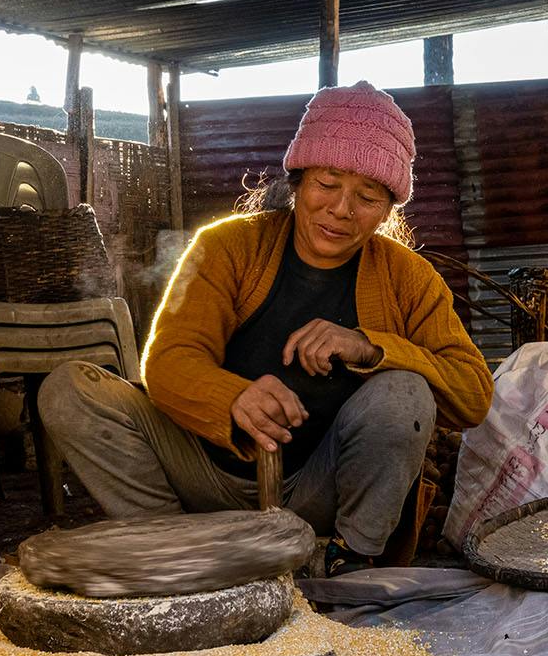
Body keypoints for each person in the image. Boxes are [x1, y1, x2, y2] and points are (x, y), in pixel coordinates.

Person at [40, 81, 493, 569]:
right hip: (200, 478)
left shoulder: (407, 276)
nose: (341, 209)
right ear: (297, 180)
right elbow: (168, 362)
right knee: (69, 389)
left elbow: (472, 393)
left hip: (314, 493)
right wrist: (231, 396)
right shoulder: (227, 246)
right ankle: (175, 549)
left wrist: (371, 348)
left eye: (367, 196)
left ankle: (349, 563)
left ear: (387, 210)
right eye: (327, 184)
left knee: (406, 392)